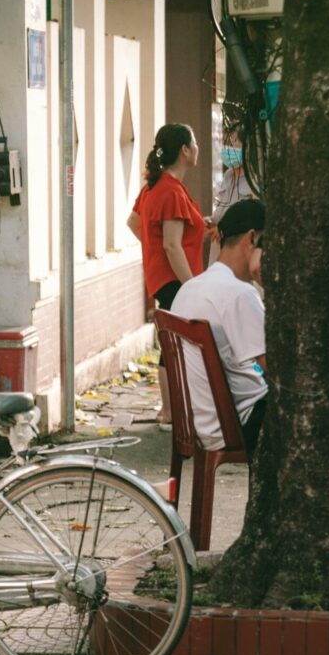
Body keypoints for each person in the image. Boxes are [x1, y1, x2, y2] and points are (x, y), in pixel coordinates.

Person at [127, 123, 206, 430]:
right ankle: (170, 412)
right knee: (174, 344)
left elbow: (135, 223)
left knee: (171, 342)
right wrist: (192, 286)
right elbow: (172, 244)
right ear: (185, 151)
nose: (197, 148)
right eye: (194, 143)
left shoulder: (154, 187)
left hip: (163, 277)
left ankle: (170, 410)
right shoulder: (171, 190)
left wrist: (155, 251)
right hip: (176, 280)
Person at [171, 199, 267, 451]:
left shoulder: (189, 288)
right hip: (237, 423)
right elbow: (280, 370)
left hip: (199, 424)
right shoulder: (239, 294)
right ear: (252, 239)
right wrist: (268, 283)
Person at [208, 123, 258, 265]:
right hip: (217, 255)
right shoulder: (228, 176)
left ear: (247, 149)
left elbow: (249, 220)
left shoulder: (253, 181)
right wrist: (211, 220)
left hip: (237, 259)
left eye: (235, 144)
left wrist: (224, 228)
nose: (229, 149)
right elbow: (222, 210)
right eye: (228, 144)